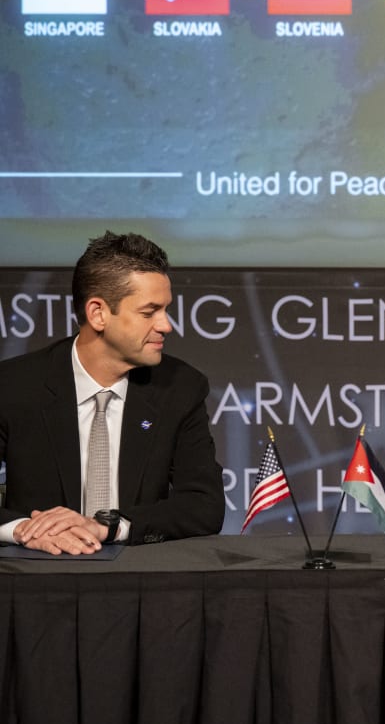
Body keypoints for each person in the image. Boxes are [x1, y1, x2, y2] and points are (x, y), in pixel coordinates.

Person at [0, 231, 225, 554]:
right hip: (38, 579)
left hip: (139, 581)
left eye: (165, 310)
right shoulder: (13, 386)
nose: (166, 325)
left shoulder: (180, 387)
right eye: (149, 312)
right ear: (98, 313)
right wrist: (22, 529)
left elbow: (205, 505)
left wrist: (110, 525)